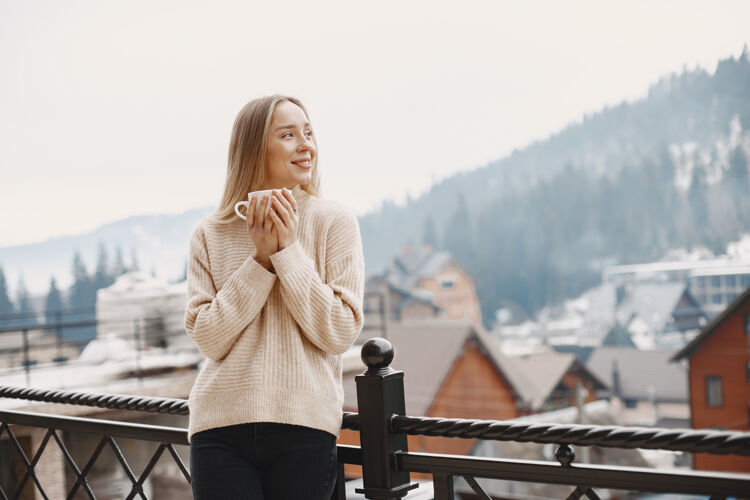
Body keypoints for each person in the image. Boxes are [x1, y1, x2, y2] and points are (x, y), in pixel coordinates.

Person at [184, 95, 365, 499]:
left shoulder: (333, 220)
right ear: (254, 149)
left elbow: (338, 331)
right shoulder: (209, 233)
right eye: (288, 134)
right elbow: (210, 338)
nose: (306, 145)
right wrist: (261, 261)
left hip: (303, 424)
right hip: (219, 427)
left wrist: (285, 252)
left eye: (309, 132)